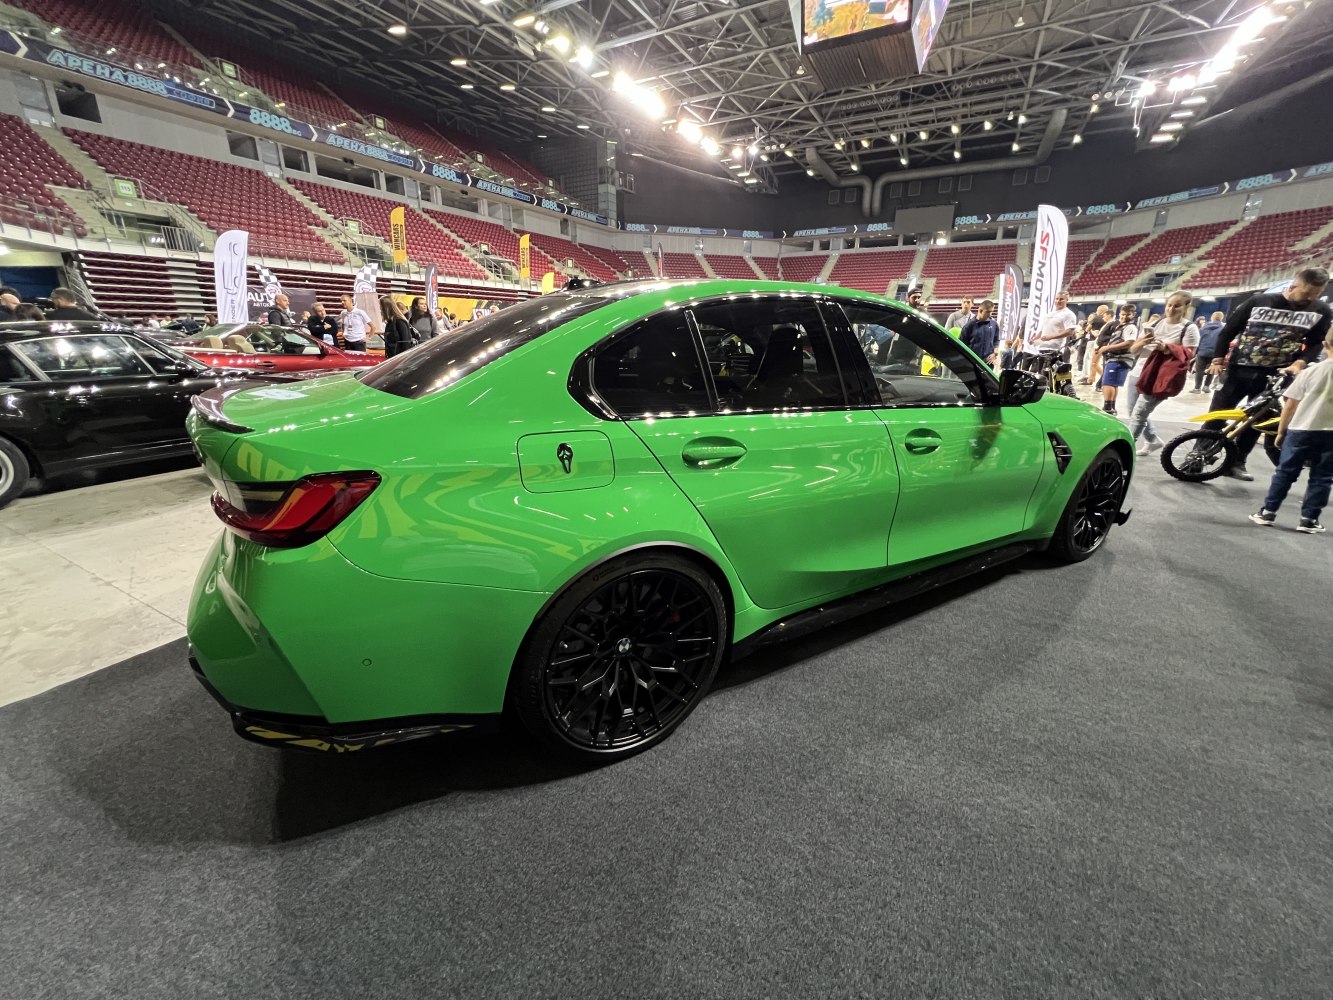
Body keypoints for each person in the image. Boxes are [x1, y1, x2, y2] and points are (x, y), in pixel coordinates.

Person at [1206, 266, 1332, 480]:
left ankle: (1236, 462)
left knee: (1257, 421)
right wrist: (1218, 360)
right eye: (1306, 293)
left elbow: (1315, 343)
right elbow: (1228, 331)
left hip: (1276, 375)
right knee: (1218, 414)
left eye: (1316, 294)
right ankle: (1199, 455)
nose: (1310, 298)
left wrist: (1299, 363)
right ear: (1293, 285)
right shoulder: (1259, 301)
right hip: (1238, 369)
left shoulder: (1321, 310)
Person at [1249, 327, 1333, 533]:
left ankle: (1268, 512)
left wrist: (1281, 431)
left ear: (1325, 345)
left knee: (1285, 472)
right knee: (1322, 477)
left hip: (1301, 429)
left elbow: (1290, 405)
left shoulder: (1310, 371)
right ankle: (1308, 520)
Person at [1128, 291, 1199, 454]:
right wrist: (1142, 342)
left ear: (1186, 307)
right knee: (1134, 412)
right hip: (1139, 372)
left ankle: (1127, 449)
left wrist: (1166, 348)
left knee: (1139, 414)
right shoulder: (1154, 324)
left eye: (1177, 306)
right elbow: (1133, 350)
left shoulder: (1189, 328)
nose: (1171, 309)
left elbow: (1189, 354)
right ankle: (1152, 440)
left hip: (1160, 377)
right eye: (1169, 305)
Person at [1092, 304, 1141, 414]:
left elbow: (1130, 342)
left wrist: (1108, 347)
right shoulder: (1122, 326)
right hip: (1115, 359)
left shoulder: (1130, 327)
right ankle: (1111, 407)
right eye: (1122, 314)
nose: (1124, 317)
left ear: (1133, 315)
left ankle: (1108, 407)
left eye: (1128, 314)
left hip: (1119, 359)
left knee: (1108, 383)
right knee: (1113, 383)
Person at [1018, 290, 1077, 372]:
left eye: (1061, 299)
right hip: (1042, 349)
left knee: (1051, 375)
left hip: (1055, 350)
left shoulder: (1068, 314)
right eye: (1057, 299)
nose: (1058, 301)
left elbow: (1070, 331)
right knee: (1040, 374)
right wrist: (1035, 339)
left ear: (1067, 300)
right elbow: (1043, 330)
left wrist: (1050, 337)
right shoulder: (1049, 314)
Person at [1191, 310, 1227, 393]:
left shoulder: (1203, 327)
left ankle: (1197, 388)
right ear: (1221, 318)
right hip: (1215, 353)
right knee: (1211, 370)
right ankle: (1206, 387)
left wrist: (1196, 351)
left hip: (1202, 351)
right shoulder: (1223, 329)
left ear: (1212, 317)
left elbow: (1198, 340)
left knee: (1199, 370)